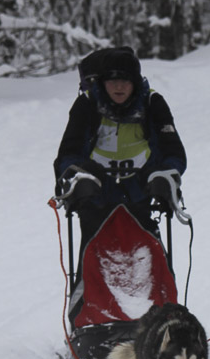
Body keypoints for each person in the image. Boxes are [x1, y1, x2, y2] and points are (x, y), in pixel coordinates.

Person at [54, 46, 187, 244]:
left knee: (148, 257)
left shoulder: (152, 104)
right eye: (112, 80)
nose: (119, 87)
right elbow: (68, 155)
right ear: (102, 82)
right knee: (95, 258)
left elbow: (174, 152)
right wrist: (77, 177)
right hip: (95, 197)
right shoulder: (87, 105)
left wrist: (164, 174)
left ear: (135, 82)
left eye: (125, 80)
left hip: (140, 195)